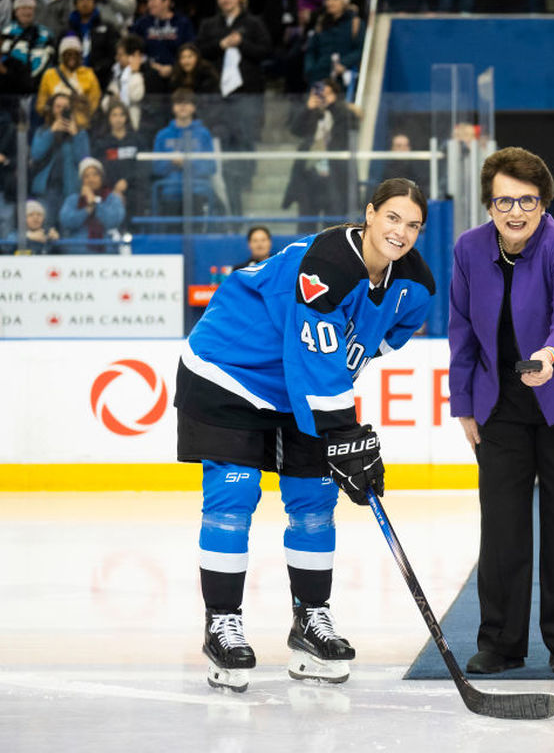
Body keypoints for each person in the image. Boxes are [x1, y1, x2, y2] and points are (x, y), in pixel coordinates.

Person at [175, 178, 436, 692]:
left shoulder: (416, 286)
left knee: (313, 500)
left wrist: (344, 436)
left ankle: (309, 621)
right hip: (229, 369)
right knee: (234, 494)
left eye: (413, 224)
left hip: (302, 384)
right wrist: (345, 433)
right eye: (391, 218)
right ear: (369, 214)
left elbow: (375, 344)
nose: (400, 232)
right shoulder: (326, 266)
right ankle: (222, 624)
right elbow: (312, 361)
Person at [448, 147, 554, 675]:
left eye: (527, 200)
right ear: (488, 203)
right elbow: (461, 330)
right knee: (502, 524)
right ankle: (500, 641)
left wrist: (549, 354)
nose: (515, 211)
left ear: (543, 203)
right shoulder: (468, 249)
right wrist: (464, 405)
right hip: (500, 403)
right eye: (503, 200)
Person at [197, 0, 272, 216]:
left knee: (246, 136)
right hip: (218, 95)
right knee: (224, 139)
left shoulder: (253, 23)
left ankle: (246, 180)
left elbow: (266, 51)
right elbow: (200, 51)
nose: (224, 0)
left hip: (246, 93)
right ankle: (230, 185)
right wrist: (221, 44)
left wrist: (243, 44)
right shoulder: (210, 25)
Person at [282, 79, 359, 229]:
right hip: (309, 176)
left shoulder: (343, 112)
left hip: (335, 176)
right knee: (306, 224)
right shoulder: (312, 113)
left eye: (327, 94)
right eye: (319, 94)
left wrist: (332, 105)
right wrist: (308, 108)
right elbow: (295, 130)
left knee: (334, 225)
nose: (323, 97)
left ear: (336, 95)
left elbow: (351, 125)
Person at [152, 88, 216, 216]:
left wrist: (188, 163)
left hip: (197, 190)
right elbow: (155, 167)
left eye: (186, 103)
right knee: (171, 233)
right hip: (170, 191)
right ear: (173, 108)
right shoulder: (162, 135)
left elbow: (211, 166)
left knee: (197, 233)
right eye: (178, 103)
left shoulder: (204, 134)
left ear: (193, 108)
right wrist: (171, 162)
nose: (182, 107)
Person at [29, 92, 90, 225]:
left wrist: (76, 135)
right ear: (52, 109)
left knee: (67, 228)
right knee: (46, 227)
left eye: (65, 107)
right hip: (47, 190)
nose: (61, 110)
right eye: (58, 106)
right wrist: (51, 132)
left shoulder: (80, 132)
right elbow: (36, 154)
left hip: (71, 190)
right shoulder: (43, 130)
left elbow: (85, 161)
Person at [131, 0, 196, 96]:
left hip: (178, 74)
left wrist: (174, 68)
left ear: (166, 1)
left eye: (153, 0)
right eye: (148, 1)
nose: (149, 4)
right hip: (150, 74)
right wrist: (151, 66)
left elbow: (191, 49)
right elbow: (133, 48)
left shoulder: (182, 23)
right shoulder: (142, 23)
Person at [91, 99, 148, 223]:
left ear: (126, 117)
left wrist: (126, 181)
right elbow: (98, 170)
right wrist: (114, 188)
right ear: (108, 118)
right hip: (108, 190)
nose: (118, 119)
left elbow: (144, 167)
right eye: (114, 115)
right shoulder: (101, 143)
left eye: (122, 115)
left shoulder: (137, 140)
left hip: (134, 190)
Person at [303, 0, 365, 87]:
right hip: (319, 76)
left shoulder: (356, 23)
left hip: (343, 79)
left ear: (344, 2)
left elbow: (360, 49)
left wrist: (344, 63)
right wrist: (310, 69)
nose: (330, 3)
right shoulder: (321, 22)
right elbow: (311, 49)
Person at [35, 35, 101, 130]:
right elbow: (41, 104)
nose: (72, 57)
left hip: (80, 127)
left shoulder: (89, 74)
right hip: (55, 126)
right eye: (68, 54)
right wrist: (51, 113)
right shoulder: (49, 75)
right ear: (62, 56)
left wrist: (83, 117)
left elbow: (94, 102)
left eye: (75, 54)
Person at [58, 156, 125, 244]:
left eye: (95, 175)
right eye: (86, 176)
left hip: (107, 249)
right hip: (76, 249)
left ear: (101, 177)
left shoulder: (112, 198)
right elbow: (66, 222)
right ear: (82, 180)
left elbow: (112, 221)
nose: (91, 179)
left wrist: (94, 202)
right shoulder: (73, 200)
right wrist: (87, 209)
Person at [66, 0, 120, 89]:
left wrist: (98, 68)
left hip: (101, 79)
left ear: (94, 3)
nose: (85, 3)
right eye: (81, 0)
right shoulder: (67, 30)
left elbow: (113, 54)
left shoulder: (108, 28)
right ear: (75, 4)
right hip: (71, 80)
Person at [5, 0, 54, 89]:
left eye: (30, 8)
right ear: (16, 11)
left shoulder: (46, 33)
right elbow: (2, 60)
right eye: (23, 8)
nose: (27, 12)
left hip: (40, 85)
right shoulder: (7, 32)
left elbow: (52, 59)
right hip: (12, 86)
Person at [101, 34, 145, 131]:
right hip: (115, 129)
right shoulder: (116, 73)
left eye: (120, 55)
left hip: (138, 128)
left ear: (134, 55)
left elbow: (136, 96)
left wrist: (135, 74)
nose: (117, 58)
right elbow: (104, 103)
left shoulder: (148, 74)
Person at [0, 87, 15, 246]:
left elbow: (22, 158)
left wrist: (5, 160)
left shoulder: (9, 127)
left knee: (6, 237)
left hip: (1, 188)